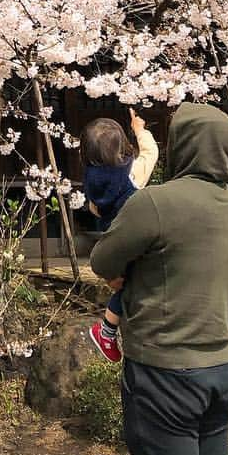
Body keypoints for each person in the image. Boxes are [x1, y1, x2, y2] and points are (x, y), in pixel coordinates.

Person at [90, 103, 228, 455]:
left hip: (164, 373)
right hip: (221, 370)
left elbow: (102, 260)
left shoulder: (157, 202)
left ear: (184, 146)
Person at [82, 107, 159, 361]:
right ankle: (106, 330)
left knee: (123, 285)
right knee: (132, 285)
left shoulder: (92, 182)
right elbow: (151, 152)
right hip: (134, 240)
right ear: (123, 147)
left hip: (112, 239)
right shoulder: (132, 175)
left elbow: (94, 210)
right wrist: (140, 130)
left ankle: (109, 329)